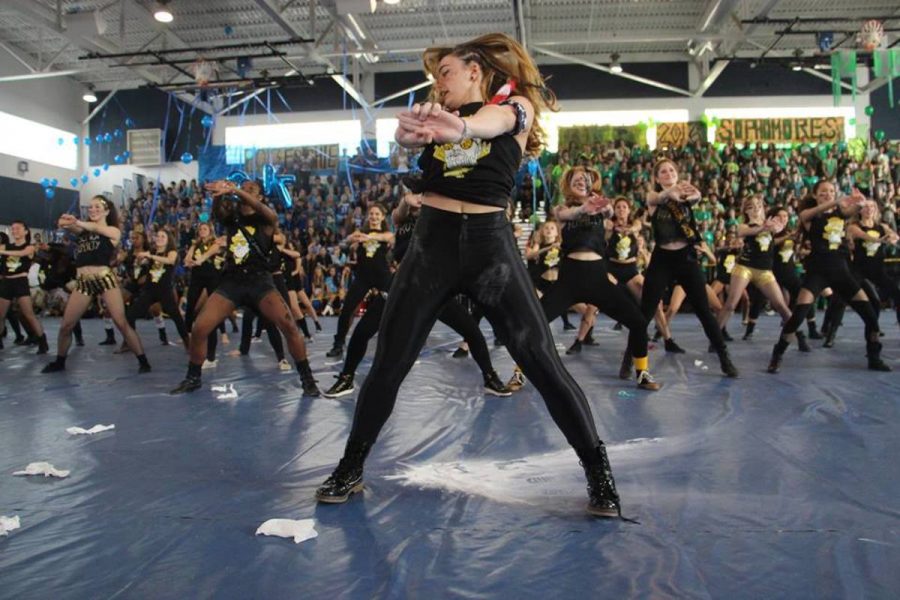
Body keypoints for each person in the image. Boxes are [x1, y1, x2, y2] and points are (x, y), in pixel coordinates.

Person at [315, 33, 628, 519]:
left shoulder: (511, 107)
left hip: (490, 249)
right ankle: (351, 465)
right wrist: (413, 134)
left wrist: (453, 129)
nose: (438, 84)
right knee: (389, 363)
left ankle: (598, 473)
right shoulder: (437, 114)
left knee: (541, 361)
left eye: (446, 73)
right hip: (431, 246)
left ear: (475, 71)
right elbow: (406, 138)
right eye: (435, 77)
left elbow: (491, 122)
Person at [323, 192, 511, 398]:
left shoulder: (444, 219)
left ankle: (490, 377)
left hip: (436, 286)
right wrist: (406, 200)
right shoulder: (404, 220)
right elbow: (398, 213)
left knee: (471, 331)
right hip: (403, 285)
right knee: (363, 332)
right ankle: (346, 378)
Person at [169, 179, 319, 395]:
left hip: (260, 280)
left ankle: (308, 380)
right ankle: (193, 377)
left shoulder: (265, 219)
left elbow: (266, 212)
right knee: (200, 326)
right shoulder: (233, 218)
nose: (244, 192)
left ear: (258, 197)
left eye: (251, 190)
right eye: (243, 188)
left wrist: (235, 189)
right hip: (233, 280)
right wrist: (219, 194)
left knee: (288, 325)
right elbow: (217, 213)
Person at [537, 167, 661, 390]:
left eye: (585, 180)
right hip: (569, 279)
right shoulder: (562, 208)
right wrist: (584, 208)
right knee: (535, 322)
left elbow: (609, 212)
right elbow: (567, 215)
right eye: (576, 179)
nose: (581, 182)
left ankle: (642, 372)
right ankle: (520, 372)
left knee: (638, 322)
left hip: (597, 277)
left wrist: (601, 206)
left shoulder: (601, 208)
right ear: (568, 184)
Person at [767, 183, 889, 372]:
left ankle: (874, 356)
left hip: (842, 273)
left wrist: (860, 202)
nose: (828, 195)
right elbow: (803, 216)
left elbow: (853, 209)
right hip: (818, 273)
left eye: (831, 191)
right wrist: (834, 201)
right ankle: (778, 354)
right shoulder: (810, 216)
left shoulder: (841, 214)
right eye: (823, 192)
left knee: (871, 316)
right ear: (815, 195)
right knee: (798, 315)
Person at [640, 159, 738, 377]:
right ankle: (631, 358)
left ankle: (724, 357)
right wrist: (670, 193)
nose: (667, 173)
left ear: (677, 174)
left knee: (704, 310)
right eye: (663, 171)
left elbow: (696, 197)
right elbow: (655, 197)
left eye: (671, 170)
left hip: (686, 257)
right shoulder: (653, 198)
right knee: (646, 311)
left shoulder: (686, 195)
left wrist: (694, 195)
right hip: (662, 258)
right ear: (657, 178)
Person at [42, 196, 151, 373]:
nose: (93, 210)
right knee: (66, 325)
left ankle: (143, 361)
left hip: (104, 279)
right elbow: (62, 223)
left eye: (97, 207)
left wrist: (77, 222)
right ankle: (60, 361)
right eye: (90, 207)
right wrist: (67, 220)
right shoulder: (83, 230)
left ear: (107, 211)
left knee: (121, 322)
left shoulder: (113, 231)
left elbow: (93, 227)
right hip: (84, 282)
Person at [716, 197, 796, 347]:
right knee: (731, 303)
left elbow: (778, 230)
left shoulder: (771, 222)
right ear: (746, 210)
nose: (756, 209)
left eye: (758, 205)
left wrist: (778, 228)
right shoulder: (744, 225)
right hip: (745, 267)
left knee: (781, 305)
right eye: (751, 207)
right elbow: (744, 232)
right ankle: (715, 338)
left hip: (764, 270)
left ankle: (798, 335)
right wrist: (764, 228)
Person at [325, 204, 394, 359]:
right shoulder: (360, 232)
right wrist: (351, 238)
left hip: (382, 275)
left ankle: (399, 343)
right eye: (371, 214)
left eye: (377, 214)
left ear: (382, 217)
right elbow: (345, 242)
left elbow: (388, 238)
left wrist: (368, 237)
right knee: (347, 310)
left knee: (393, 308)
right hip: (363, 276)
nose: (374, 216)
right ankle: (338, 344)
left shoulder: (387, 233)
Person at [126, 229, 190, 348]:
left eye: (163, 236)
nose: (159, 238)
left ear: (168, 239)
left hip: (165, 290)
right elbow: (142, 264)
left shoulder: (171, 252)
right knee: (130, 315)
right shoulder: (152, 251)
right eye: (158, 236)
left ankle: (187, 342)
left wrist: (150, 256)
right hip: (150, 289)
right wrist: (139, 261)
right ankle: (130, 342)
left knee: (176, 317)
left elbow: (170, 261)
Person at [0, 220, 49, 354]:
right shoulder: (6, 246)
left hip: (20, 281)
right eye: (13, 229)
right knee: (1, 315)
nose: (15, 231)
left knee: (29, 314)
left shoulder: (30, 247)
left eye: (18, 228)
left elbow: (21, 253)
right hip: (6, 282)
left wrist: (3, 252)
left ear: (26, 231)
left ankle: (42, 341)